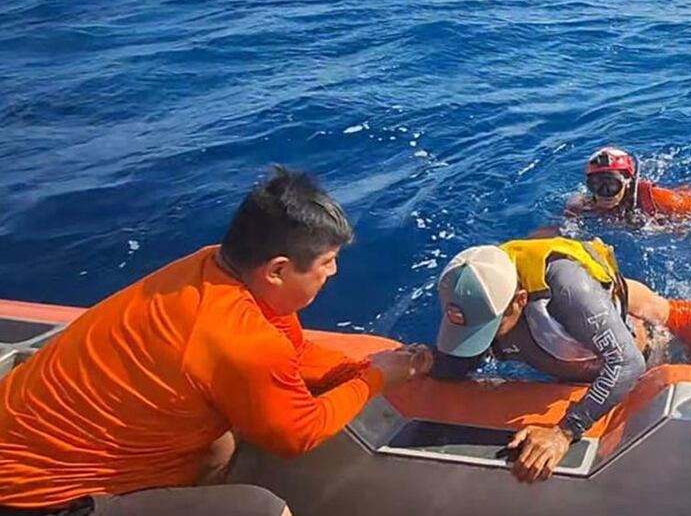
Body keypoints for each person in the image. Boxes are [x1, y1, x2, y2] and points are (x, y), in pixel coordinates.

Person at [0, 167, 433, 516]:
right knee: (264, 510)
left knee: (218, 442)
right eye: (328, 262)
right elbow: (297, 434)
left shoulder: (215, 267)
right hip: (37, 500)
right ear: (278, 270)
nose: (334, 273)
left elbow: (294, 354)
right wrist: (374, 378)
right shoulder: (240, 339)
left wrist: (356, 368)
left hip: (34, 454)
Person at [430, 237, 650, 483]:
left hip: (632, 357)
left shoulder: (568, 289)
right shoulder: (474, 287)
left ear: (519, 301)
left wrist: (564, 432)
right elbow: (454, 364)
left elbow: (629, 363)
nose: (486, 337)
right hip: (561, 363)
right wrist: (426, 362)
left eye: (491, 326)